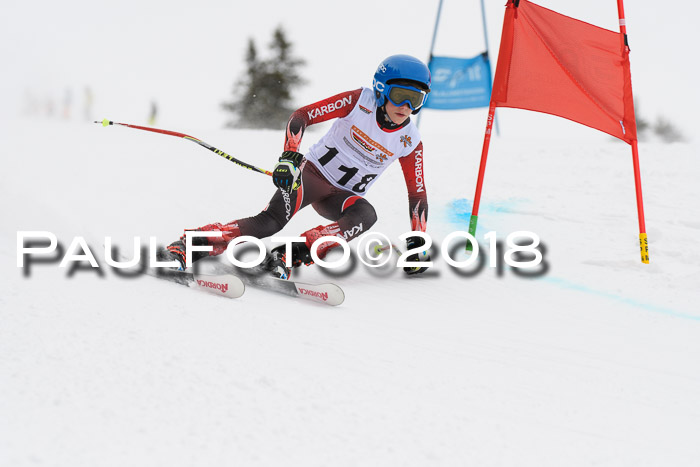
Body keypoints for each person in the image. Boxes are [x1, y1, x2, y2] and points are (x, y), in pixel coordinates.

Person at [162, 54, 432, 279]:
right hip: (310, 176)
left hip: (340, 196)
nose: (406, 107)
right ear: (382, 89)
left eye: (416, 100)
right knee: (269, 222)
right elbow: (302, 115)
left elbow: (417, 193)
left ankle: (286, 256)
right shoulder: (359, 101)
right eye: (400, 96)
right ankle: (187, 246)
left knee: (365, 215)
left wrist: (418, 240)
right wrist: (289, 158)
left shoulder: (409, 141)